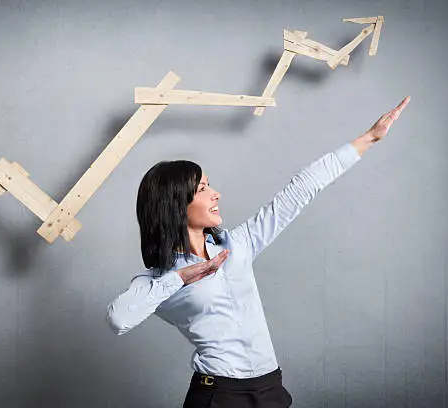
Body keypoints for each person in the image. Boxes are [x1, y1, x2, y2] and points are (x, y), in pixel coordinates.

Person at [106, 96, 411, 408]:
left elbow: (301, 188)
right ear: (176, 206)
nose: (215, 194)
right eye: (202, 189)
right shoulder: (161, 279)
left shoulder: (238, 244)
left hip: (269, 389)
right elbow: (118, 318)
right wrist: (182, 278)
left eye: (210, 185)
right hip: (218, 396)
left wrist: (369, 138)